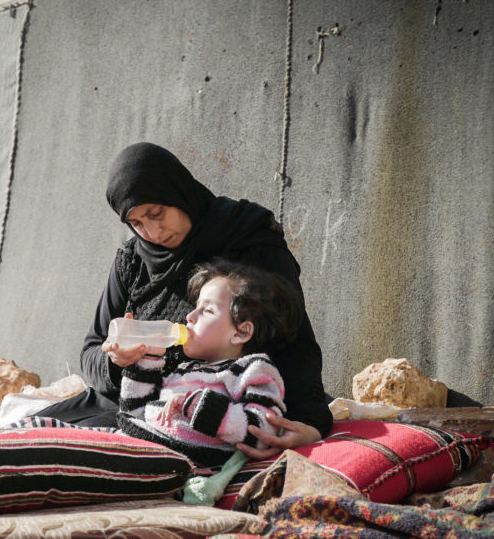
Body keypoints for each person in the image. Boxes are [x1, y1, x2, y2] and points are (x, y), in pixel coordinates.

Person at [34, 141, 331, 458]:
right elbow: (93, 349)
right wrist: (117, 361)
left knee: (74, 452)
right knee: (30, 435)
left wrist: (309, 421)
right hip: (135, 402)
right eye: (136, 223)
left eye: (156, 213)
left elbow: (294, 336)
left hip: (207, 406)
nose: (152, 231)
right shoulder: (133, 261)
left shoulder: (245, 237)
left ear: (179, 193)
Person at [116, 259, 300, 467]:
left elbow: (262, 430)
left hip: (176, 462)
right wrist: (145, 361)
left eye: (207, 310)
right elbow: (133, 414)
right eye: (196, 307)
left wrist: (194, 405)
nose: (190, 316)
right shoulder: (183, 372)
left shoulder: (253, 369)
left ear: (241, 332)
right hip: (140, 444)